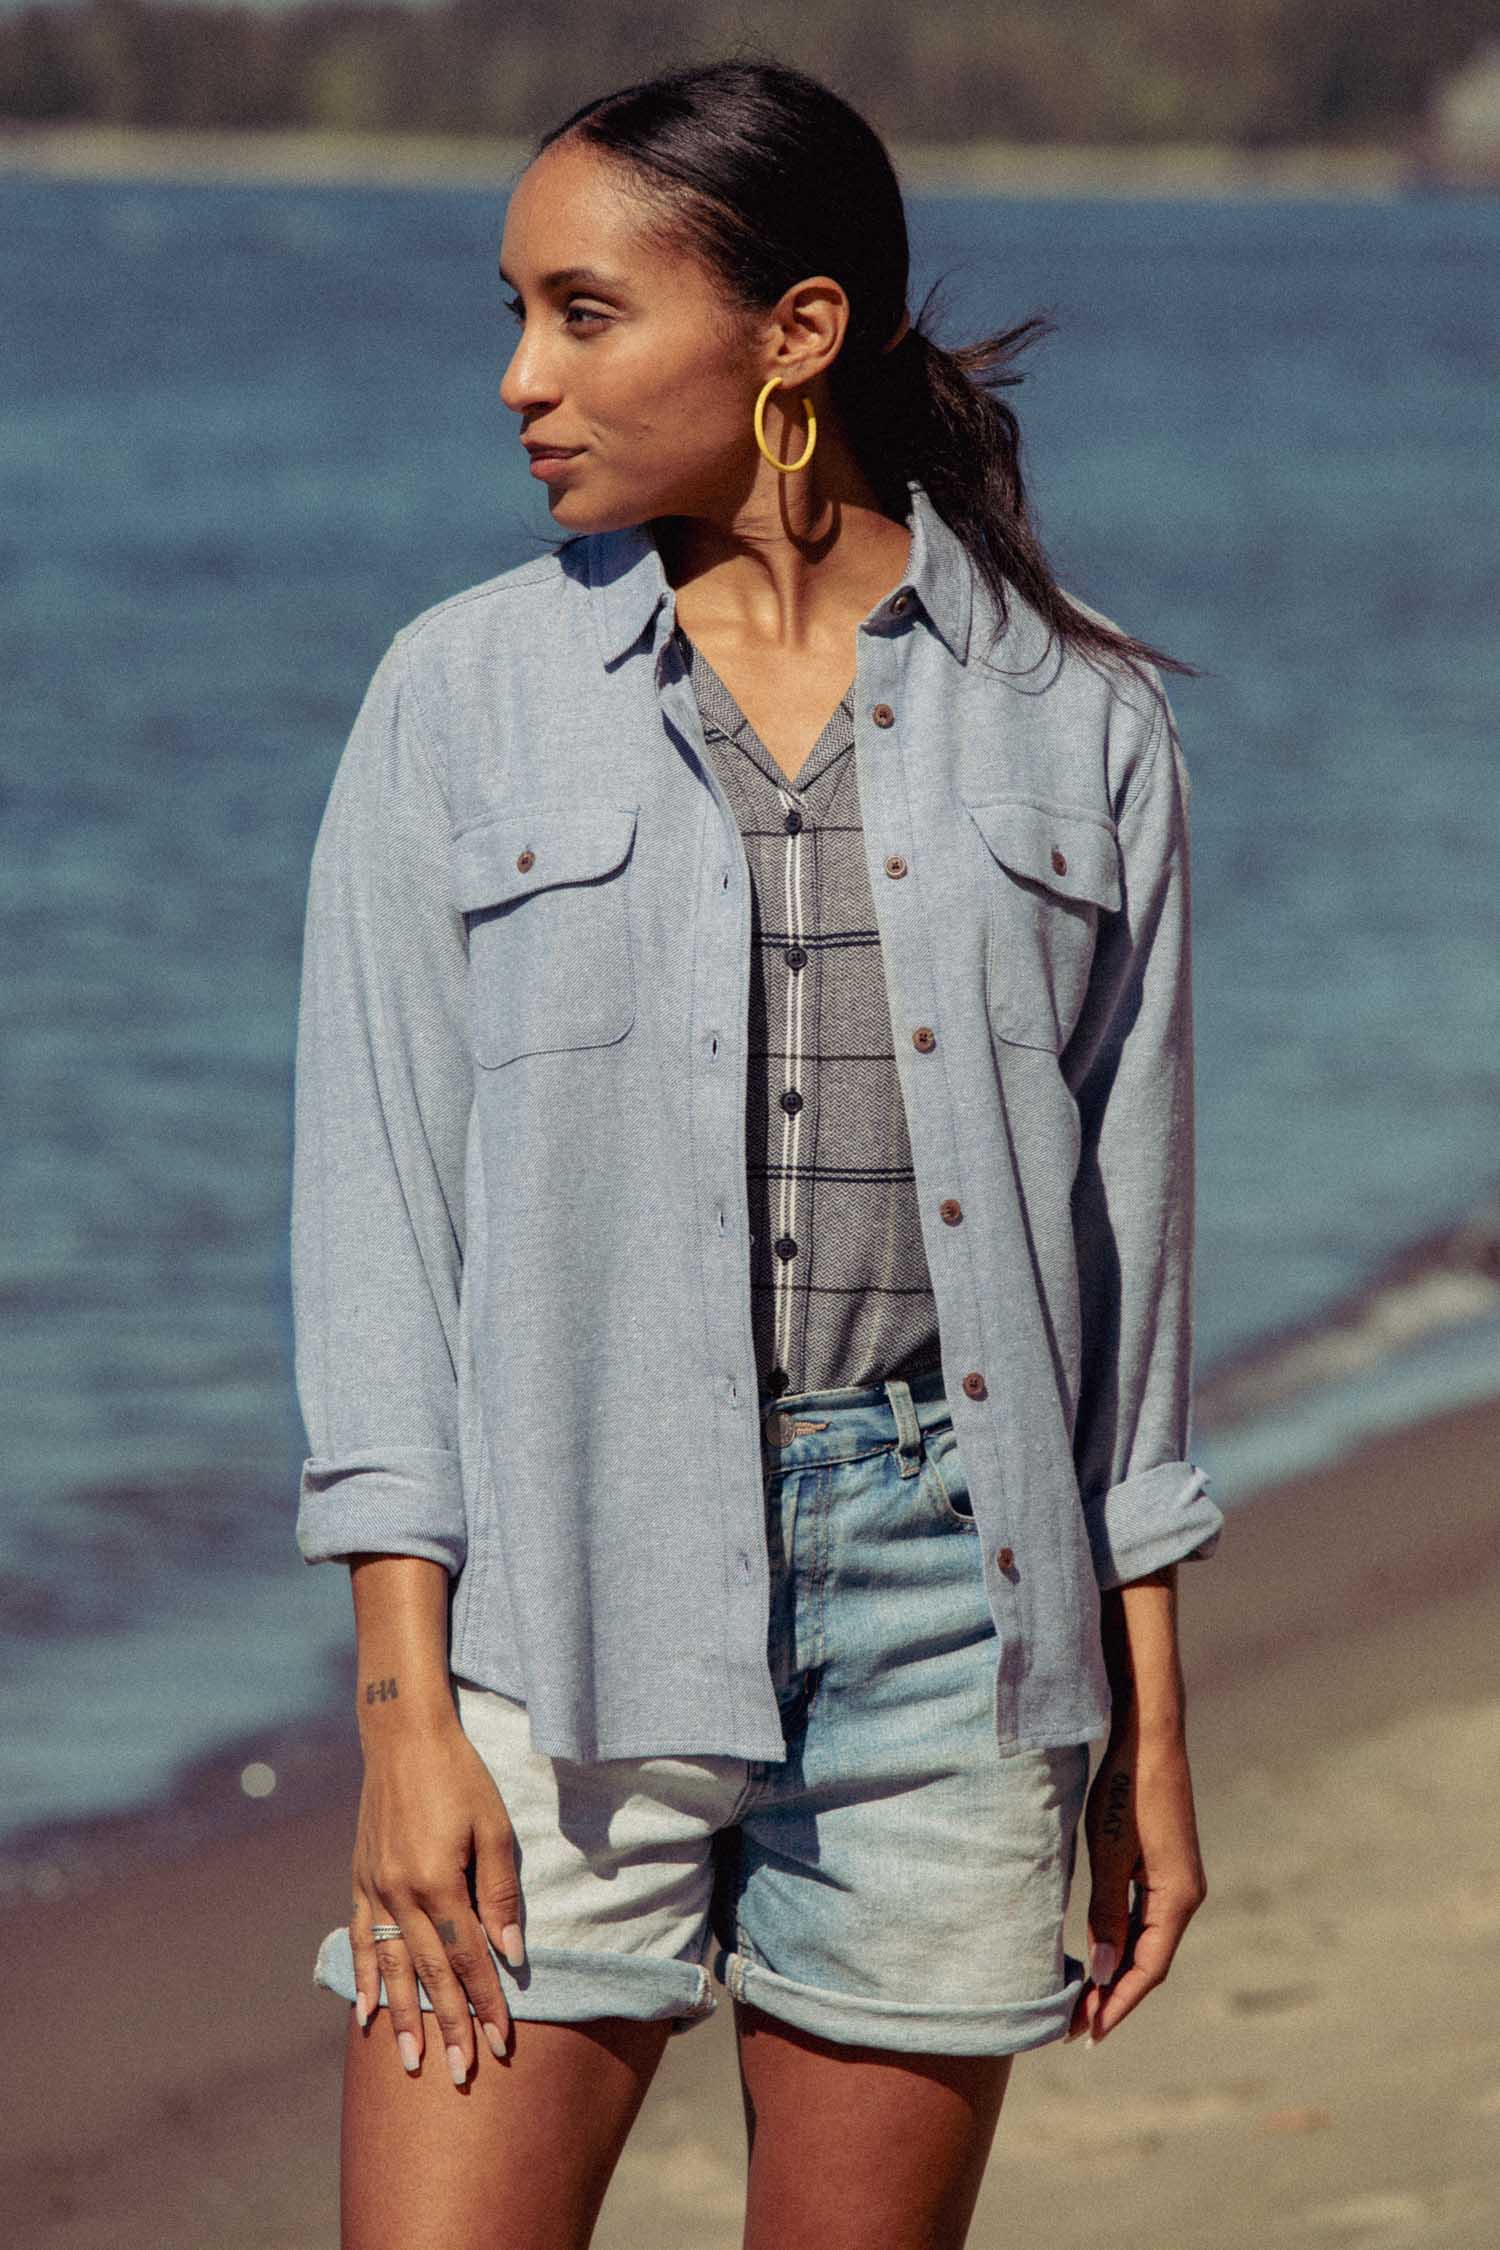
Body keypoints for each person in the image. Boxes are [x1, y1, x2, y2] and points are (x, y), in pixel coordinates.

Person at [289, 54, 1227, 2250]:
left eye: (584, 313)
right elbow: (379, 1223)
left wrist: (1147, 1729)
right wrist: (401, 1722)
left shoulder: (1080, 725)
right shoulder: (461, 697)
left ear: (794, 332)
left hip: (957, 1628)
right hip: (555, 1612)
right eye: (513, 311)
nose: (523, 377)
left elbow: (1133, 1262)